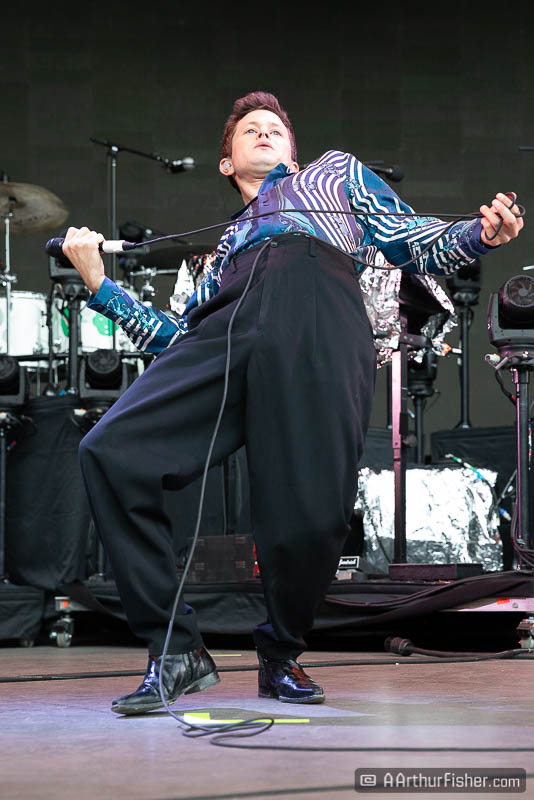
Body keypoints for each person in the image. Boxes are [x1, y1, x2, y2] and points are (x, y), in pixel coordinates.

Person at [63, 92, 523, 715]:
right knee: (110, 451)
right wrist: (99, 284)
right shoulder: (221, 252)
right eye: (249, 129)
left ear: (293, 153)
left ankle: (281, 652)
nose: (263, 133)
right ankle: (174, 652)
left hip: (319, 317)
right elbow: (174, 340)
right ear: (226, 163)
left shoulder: (333, 174)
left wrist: (479, 234)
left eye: (274, 128)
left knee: (313, 514)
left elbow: (409, 239)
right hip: (230, 325)